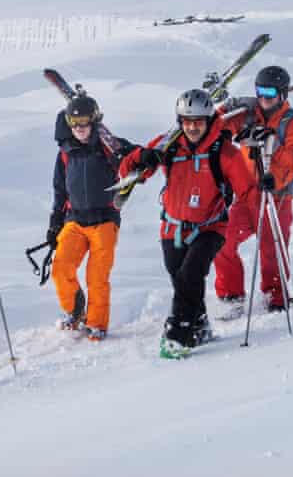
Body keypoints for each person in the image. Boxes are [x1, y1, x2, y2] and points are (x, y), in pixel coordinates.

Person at [119, 89, 258, 358]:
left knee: (190, 275)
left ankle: (178, 334)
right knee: (182, 282)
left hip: (210, 227)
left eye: (198, 121)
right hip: (172, 227)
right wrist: (142, 157)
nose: (193, 127)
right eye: (187, 121)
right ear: (179, 120)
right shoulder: (168, 144)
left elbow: (247, 190)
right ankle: (200, 325)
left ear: (208, 120)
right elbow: (128, 171)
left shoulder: (224, 151)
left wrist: (261, 191)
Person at [213, 65, 293, 317]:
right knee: (221, 240)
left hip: (276, 196)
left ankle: (275, 295)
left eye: (270, 93)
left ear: (283, 94)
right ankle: (232, 295)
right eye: (259, 92)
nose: (264, 98)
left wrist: (270, 142)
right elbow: (217, 124)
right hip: (247, 196)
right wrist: (231, 104)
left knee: (271, 249)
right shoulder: (248, 113)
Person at [48, 94, 131, 342]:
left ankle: (96, 323)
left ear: (94, 121)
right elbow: (60, 190)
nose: (79, 128)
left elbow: (134, 158)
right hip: (74, 220)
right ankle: (74, 310)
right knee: (61, 267)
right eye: (74, 123)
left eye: (84, 122)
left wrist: (134, 156)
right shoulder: (65, 153)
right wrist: (55, 222)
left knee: (97, 276)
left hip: (104, 220)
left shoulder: (108, 147)